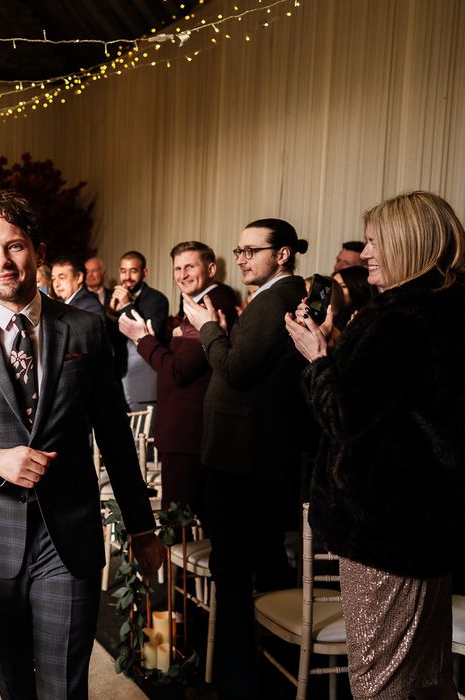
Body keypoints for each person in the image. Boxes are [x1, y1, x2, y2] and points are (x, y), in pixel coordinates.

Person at [0, 190, 164, 700]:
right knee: (12, 681)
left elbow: (116, 438)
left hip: (66, 536)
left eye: (14, 246)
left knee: (64, 686)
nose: (2, 261)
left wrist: (142, 528)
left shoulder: (86, 329)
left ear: (38, 251)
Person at [286, 191, 465, 700]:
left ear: (408, 244)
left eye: (372, 241)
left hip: (386, 532)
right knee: (430, 680)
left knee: (379, 684)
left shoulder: (401, 319)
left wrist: (317, 359)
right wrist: (339, 349)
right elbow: (401, 401)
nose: (363, 255)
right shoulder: (446, 308)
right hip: (430, 527)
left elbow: (343, 416)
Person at [183, 218, 310, 700]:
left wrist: (207, 327)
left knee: (235, 572)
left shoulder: (276, 298)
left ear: (281, 254)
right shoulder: (276, 297)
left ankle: (236, 682)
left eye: (250, 250)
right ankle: (268, 675)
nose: (240, 258)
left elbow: (235, 368)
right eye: (237, 250)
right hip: (251, 457)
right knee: (263, 564)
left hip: (243, 464)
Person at [118, 241, 237, 514]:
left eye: (189, 267)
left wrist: (142, 338)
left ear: (210, 269)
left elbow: (178, 371)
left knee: (179, 526)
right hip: (186, 431)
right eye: (177, 268)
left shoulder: (212, 304)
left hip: (189, 430)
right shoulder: (197, 304)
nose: (182, 274)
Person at [108, 251, 169, 411]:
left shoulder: (157, 299)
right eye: (123, 271)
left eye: (133, 271)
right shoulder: (112, 298)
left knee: (142, 432)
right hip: (118, 376)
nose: (127, 276)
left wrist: (127, 306)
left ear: (144, 273)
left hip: (144, 377)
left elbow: (150, 335)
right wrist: (111, 314)